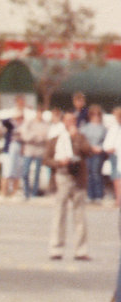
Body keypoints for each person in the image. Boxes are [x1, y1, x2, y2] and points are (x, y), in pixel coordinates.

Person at [48, 111, 91, 261]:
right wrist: (58, 162)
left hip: (77, 178)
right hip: (62, 176)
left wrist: (76, 137)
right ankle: (56, 249)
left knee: (79, 216)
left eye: (73, 120)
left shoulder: (81, 137)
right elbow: (46, 159)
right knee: (59, 214)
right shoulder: (55, 139)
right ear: (63, 122)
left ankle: (80, 250)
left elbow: (88, 151)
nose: (70, 123)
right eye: (68, 120)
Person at [20, 108, 50, 199]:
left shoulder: (45, 124)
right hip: (29, 150)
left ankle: (34, 193)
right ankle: (26, 191)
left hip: (39, 151)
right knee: (25, 172)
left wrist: (37, 136)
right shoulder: (29, 123)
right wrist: (35, 135)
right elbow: (25, 135)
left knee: (37, 173)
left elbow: (46, 136)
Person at [80, 104, 107, 205]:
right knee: (88, 173)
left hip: (98, 154)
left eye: (98, 114)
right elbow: (82, 140)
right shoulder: (85, 127)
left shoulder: (103, 128)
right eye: (93, 114)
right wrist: (90, 147)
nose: (96, 116)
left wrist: (100, 148)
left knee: (96, 173)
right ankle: (90, 195)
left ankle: (98, 196)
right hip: (88, 153)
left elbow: (106, 141)